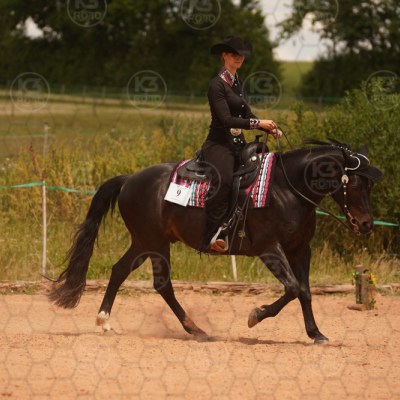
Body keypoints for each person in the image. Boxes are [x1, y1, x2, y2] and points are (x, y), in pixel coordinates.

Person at [200, 35, 282, 253]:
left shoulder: (237, 83)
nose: (239, 58)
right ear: (224, 55)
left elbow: (247, 114)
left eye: (241, 55)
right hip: (218, 145)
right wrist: (258, 123)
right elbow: (226, 120)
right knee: (225, 180)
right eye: (234, 54)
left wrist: (268, 128)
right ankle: (211, 235)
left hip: (238, 145)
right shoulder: (216, 85)